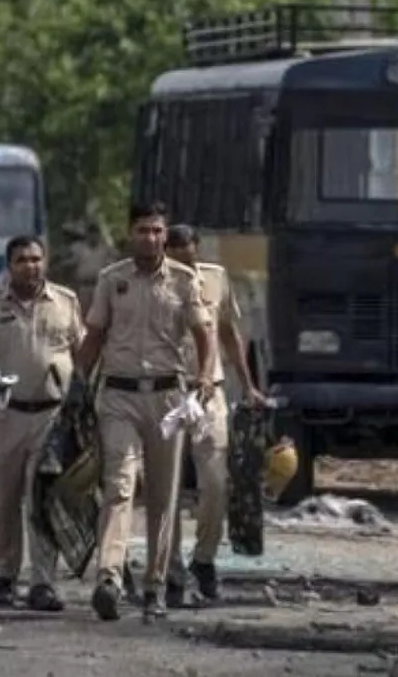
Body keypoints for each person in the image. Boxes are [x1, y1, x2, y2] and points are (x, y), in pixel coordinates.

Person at [75, 202, 215, 622]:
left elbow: (203, 334)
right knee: (118, 486)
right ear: (130, 234)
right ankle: (109, 577)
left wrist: (205, 377)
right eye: (142, 230)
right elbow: (95, 335)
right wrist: (76, 386)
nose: (150, 238)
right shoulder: (111, 280)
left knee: (162, 495)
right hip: (118, 396)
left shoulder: (185, 281)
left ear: (164, 234)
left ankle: (155, 586)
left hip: (169, 399)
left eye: (156, 231)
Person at [0, 236, 82, 612]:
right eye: (21, 260)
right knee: (4, 501)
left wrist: (85, 401)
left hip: (52, 415)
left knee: (44, 501)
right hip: (7, 415)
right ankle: (6, 576)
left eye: (35, 259)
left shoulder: (66, 302)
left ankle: (43, 582)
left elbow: (83, 353)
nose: (30, 266)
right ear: (10, 265)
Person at [163, 225, 264, 607]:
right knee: (166, 488)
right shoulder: (154, 282)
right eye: (172, 247)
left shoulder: (216, 278)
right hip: (167, 392)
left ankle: (203, 559)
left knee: (215, 482)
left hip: (210, 394)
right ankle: (170, 568)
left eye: (184, 246)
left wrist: (249, 385)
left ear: (195, 248)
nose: (178, 252)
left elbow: (228, 333)